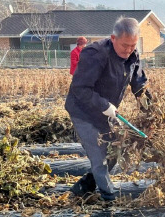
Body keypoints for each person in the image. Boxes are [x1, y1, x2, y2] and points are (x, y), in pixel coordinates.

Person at [65, 17, 152, 200]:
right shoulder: (95, 54)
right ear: (113, 38)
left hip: (106, 111)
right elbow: (80, 88)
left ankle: (84, 187)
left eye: (132, 46)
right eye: (124, 46)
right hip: (83, 111)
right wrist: (104, 105)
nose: (128, 50)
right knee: (99, 156)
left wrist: (149, 106)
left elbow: (138, 83)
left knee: (113, 151)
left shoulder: (132, 55)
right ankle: (109, 199)